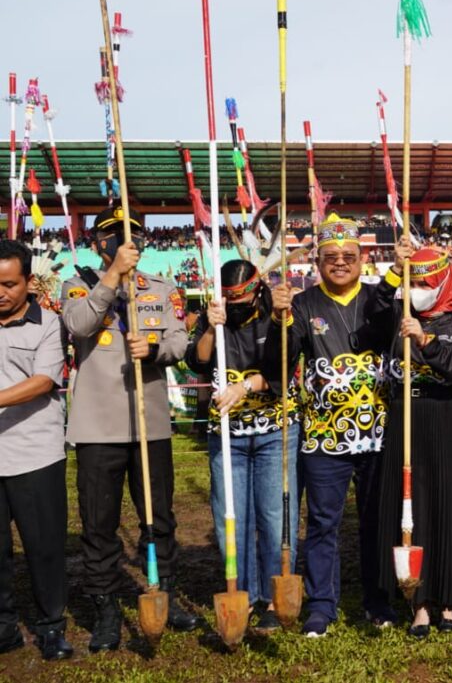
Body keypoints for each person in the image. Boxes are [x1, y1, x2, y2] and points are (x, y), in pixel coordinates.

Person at [61, 206, 200, 652]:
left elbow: (181, 340)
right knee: (99, 525)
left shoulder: (159, 288)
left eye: (132, 237)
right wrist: (111, 280)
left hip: (149, 423)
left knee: (159, 519)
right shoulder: (78, 285)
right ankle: (104, 608)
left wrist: (156, 346)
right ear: (98, 243)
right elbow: (80, 325)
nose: (125, 244)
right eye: (114, 237)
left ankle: (165, 594)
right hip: (98, 427)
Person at [267, 214, 396, 637]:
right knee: (323, 523)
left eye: (349, 256)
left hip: (378, 433)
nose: (340, 263)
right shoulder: (302, 304)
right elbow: (279, 366)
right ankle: (323, 605)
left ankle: (379, 600)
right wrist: (279, 319)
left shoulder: (381, 298)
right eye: (330, 257)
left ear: (362, 259)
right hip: (323, 437)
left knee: (378, 520)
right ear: (317, 262)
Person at [375, 245, 452, 638]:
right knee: (413, 507)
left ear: (443, 280)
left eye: (425, 281)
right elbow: (373, 304)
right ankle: (418, 603)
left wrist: (426, 341)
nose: (418, 288)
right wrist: (395, 268)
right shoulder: (399, 311)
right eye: (414, 281)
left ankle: (449, 603)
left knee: (448, 505)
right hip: (408, 418)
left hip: (449, 419)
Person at [185, 259, 299, 632]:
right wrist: (211, 327)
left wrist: (245, 386)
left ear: (256, 290)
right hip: (227, 436)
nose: (236, 307)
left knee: (273, 517)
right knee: (231, 520)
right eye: (229, 301)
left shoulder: (274, 315)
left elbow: (283, 368)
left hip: (273, 431)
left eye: (241, 300)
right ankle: (244, 593)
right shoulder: (215, 318)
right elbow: (197, 361)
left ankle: (271, 595)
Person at [0, 240, 71, 660]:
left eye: (9, 284)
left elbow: (45, 380)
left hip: (35, 454)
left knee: (44, 546)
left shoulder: (48, 324)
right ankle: (4, 627)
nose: (1, 292)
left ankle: (51, 626)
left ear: (29, 281)